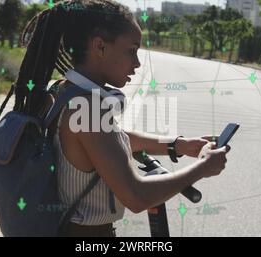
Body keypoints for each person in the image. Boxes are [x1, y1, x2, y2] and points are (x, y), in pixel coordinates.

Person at [14, 0, 231, 237]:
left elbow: (110, 141)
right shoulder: (88, 108)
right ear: (100, 46)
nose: (137, 63)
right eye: (131, 50)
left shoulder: (64, 90)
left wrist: (178, 145)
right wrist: (202, 168)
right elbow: (136, 196)